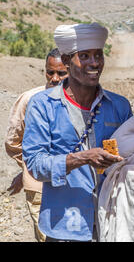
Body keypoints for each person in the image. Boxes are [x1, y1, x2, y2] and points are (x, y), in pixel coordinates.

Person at [22, 23, 133, 242]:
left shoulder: (119, 106)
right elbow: (35, 164)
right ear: (66, 61)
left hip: (112, 223)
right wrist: (82, 158)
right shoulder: (43, 106)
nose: (94, 63)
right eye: (85, 56)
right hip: (65, 226)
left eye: (98, 55)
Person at [5, 48, 68, 242]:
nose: (55, 78)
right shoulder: (29, 99)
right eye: (50, 72)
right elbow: (13, 141)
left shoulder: (81, 102)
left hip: (72, 188)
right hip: (40, 189)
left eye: (61, 73)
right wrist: (29, 165)